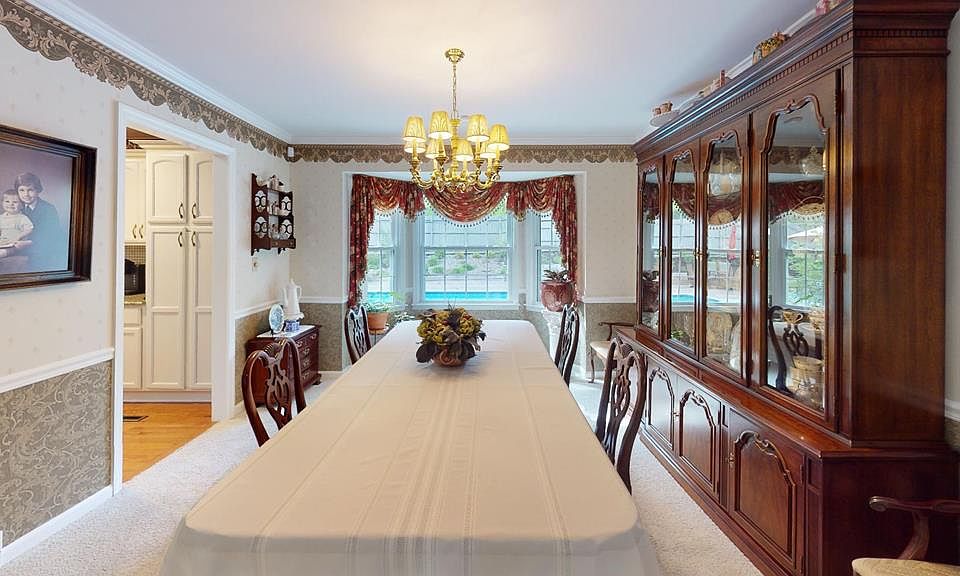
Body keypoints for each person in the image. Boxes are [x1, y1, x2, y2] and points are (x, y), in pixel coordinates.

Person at [15, 172, 63, 269]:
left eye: (30, 190)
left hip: (44, 249)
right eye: (22, 190)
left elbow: (51, 235)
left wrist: (28, 243)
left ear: (38, 190)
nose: (26, 194)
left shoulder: (48, 209)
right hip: (21, 245)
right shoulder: (17, 207)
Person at [0, 188, 33, 258]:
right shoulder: (1, 217)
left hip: (15, 244)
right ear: (2, 203)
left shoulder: (22, 217)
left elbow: (29, 229)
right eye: (7, 201)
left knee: (7, 250)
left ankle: (3, 253)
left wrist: (19, 236)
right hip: (3, 242)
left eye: (15, 202)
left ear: (21, 205)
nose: (11, 204)